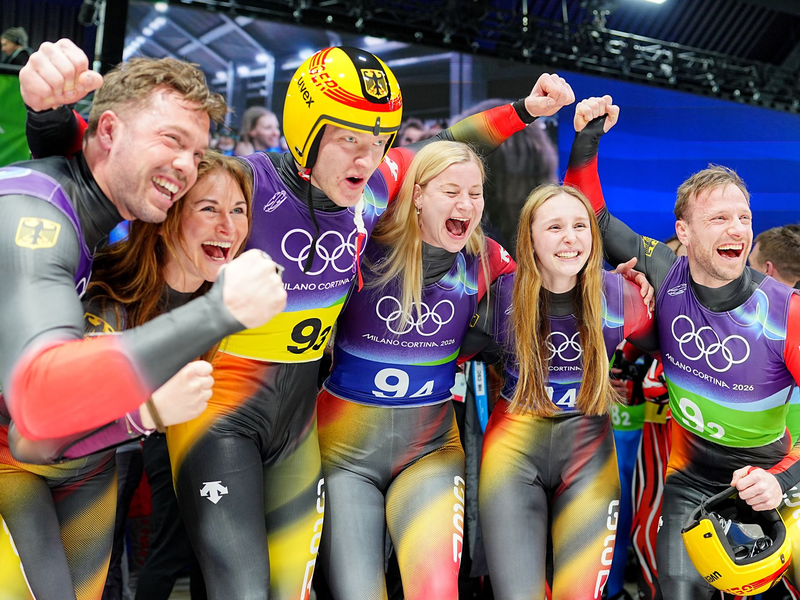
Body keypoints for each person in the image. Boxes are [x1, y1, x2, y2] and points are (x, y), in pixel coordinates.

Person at [26, 42, 575, 600]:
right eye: (348, 141)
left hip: (297, 418)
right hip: (220, 409)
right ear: (306, 134)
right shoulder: (242, 182)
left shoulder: (378, 183)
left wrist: (524, 111)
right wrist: (49, 119)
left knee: (292, 590)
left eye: (378, 142)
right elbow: (114, 175)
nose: (366, 160)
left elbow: (448, 147)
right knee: (241, 589)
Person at [564, 95, 800, 599]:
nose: (737, 229)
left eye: (743, 216)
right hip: (688, 481)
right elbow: (594, 221)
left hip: (767, 485)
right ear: (683, 234)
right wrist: (586, 139)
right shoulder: (663, 271)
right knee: (674, 589)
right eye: (719, 220)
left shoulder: (788, 312)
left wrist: (782, 481)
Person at [2, 38, 284, 452]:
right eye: (172, 139)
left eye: (197, 152)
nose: (187, 166)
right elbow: (38, 404)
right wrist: (218, 311)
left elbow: (78, 148)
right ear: (111, 131)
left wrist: (49, 113)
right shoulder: (41, 218)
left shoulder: (75, 195)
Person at [0, 151, 258, 600]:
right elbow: (33, 439)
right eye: (209, 208)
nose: (228, 227)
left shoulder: (215, 304)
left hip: (91, 471)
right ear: (169, 216)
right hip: (13, 461)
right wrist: (148, 414)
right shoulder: (111, 296)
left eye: (238, 210)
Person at [316, 140, 515, 599]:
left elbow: (553, 295)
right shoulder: (366, 246)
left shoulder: (487, 260)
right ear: (419, 194)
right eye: (451, 191)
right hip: (344, 456)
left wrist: (630, 285)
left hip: (430, 450)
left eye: (476, 193)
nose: (467, 205)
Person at [463, 183, 654, 599]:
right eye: (554, 227)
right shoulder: (499, 299)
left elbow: (689, 335)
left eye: (580, 225)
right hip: (512, 455)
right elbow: (439, 352)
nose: (570, 237)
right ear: (528, 239)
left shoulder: (624, 297)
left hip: (588, 455)